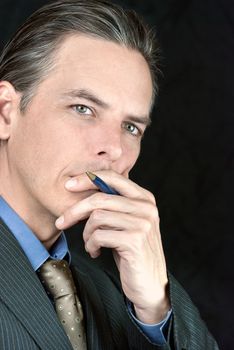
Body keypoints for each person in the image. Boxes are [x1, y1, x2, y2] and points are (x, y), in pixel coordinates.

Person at [0, 0, 219, 349]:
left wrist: (155, 305)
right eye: (83, 108)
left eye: (131, 127)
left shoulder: (120, 289)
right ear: (5, 112)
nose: (114, 150)